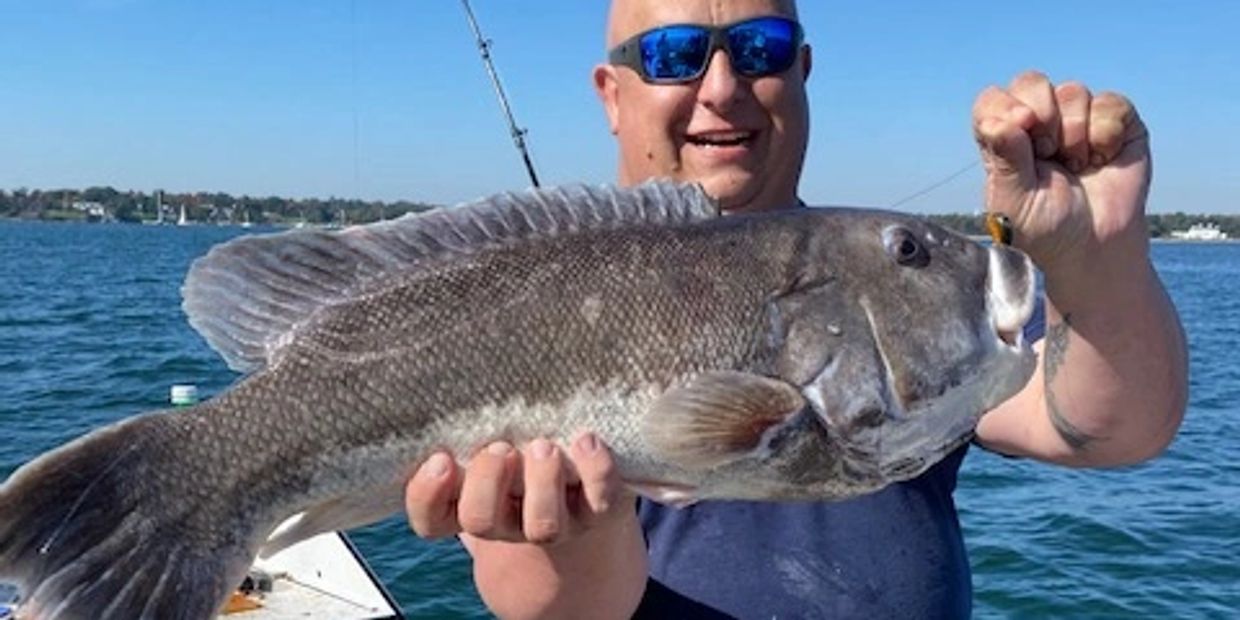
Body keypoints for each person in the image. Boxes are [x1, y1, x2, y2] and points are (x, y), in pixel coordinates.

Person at [404, 0, 1189, 617]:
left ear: (802, 69)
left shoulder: (887, 301)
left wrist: (1101, 262)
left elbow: (1113, 428)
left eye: (761, 49)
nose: (721, 87)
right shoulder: (519, 299)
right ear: (613, 94)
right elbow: (567, 611)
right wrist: (571, 534)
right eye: (672, 55)